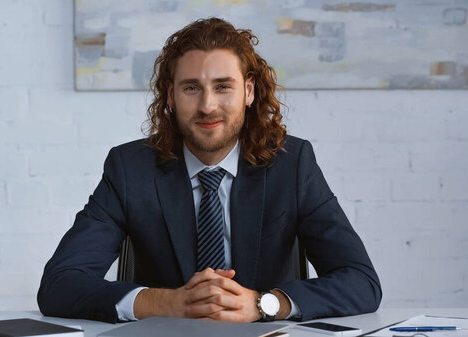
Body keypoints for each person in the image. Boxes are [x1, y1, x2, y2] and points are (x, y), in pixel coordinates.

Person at [37, 17, 381, 324]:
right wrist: (166, 302)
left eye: (223, 86)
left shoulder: (293, 165)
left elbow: (361, 281)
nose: (207, 106)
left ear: (248, 91)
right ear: (169, 95)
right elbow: (59, 285)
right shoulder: (130, 169)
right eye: (191, 88)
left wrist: (264, 304)